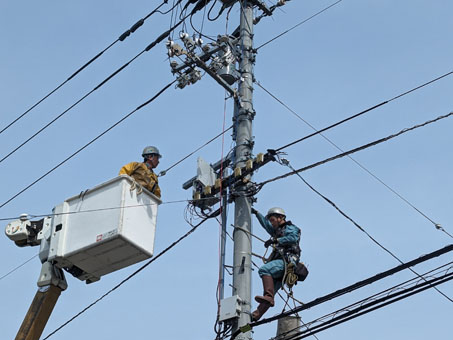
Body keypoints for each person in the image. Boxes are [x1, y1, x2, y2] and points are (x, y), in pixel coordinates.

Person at [250, 207, 301, 321]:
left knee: (264, 270)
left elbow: (293, 238)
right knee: (272, 293)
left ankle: (268, 297)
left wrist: (276, 240)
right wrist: (257, 213)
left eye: (273, 220)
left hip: (287, 262)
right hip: (280, 264)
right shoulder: (276, 231)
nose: (271, 223)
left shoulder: (291, 228)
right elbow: (266, 225)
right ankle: (256, 315)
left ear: (280, 218)